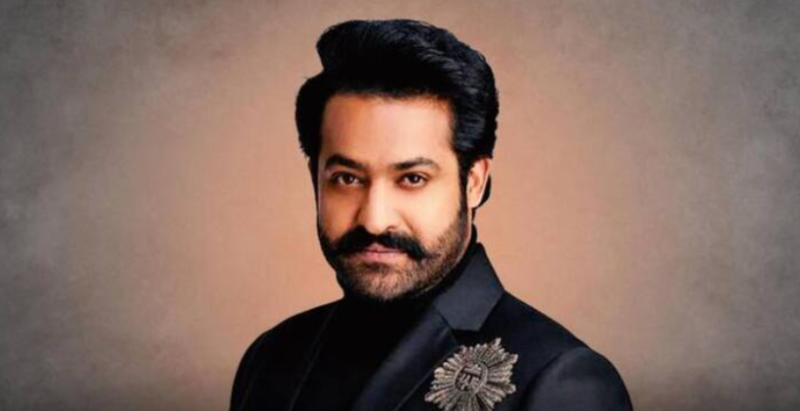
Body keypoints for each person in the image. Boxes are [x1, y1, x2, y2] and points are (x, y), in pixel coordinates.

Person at [229, 19, 633, 411]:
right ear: (314, 180)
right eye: (348, 179)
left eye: (413, 178)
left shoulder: (559, 380)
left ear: (474, 182)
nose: (374, 220)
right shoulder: (271, 358)